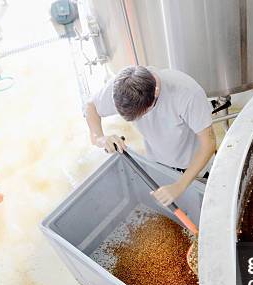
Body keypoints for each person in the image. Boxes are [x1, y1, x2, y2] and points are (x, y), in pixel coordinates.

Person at [85, 65, 216, 207]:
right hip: (158, 165)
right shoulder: (125, 85)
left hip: (195, 169)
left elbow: (208, 144)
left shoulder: (187, 93)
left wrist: (179, 185)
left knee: (204, 209)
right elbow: (90, 106)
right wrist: (100, 138)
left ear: (156, 93)